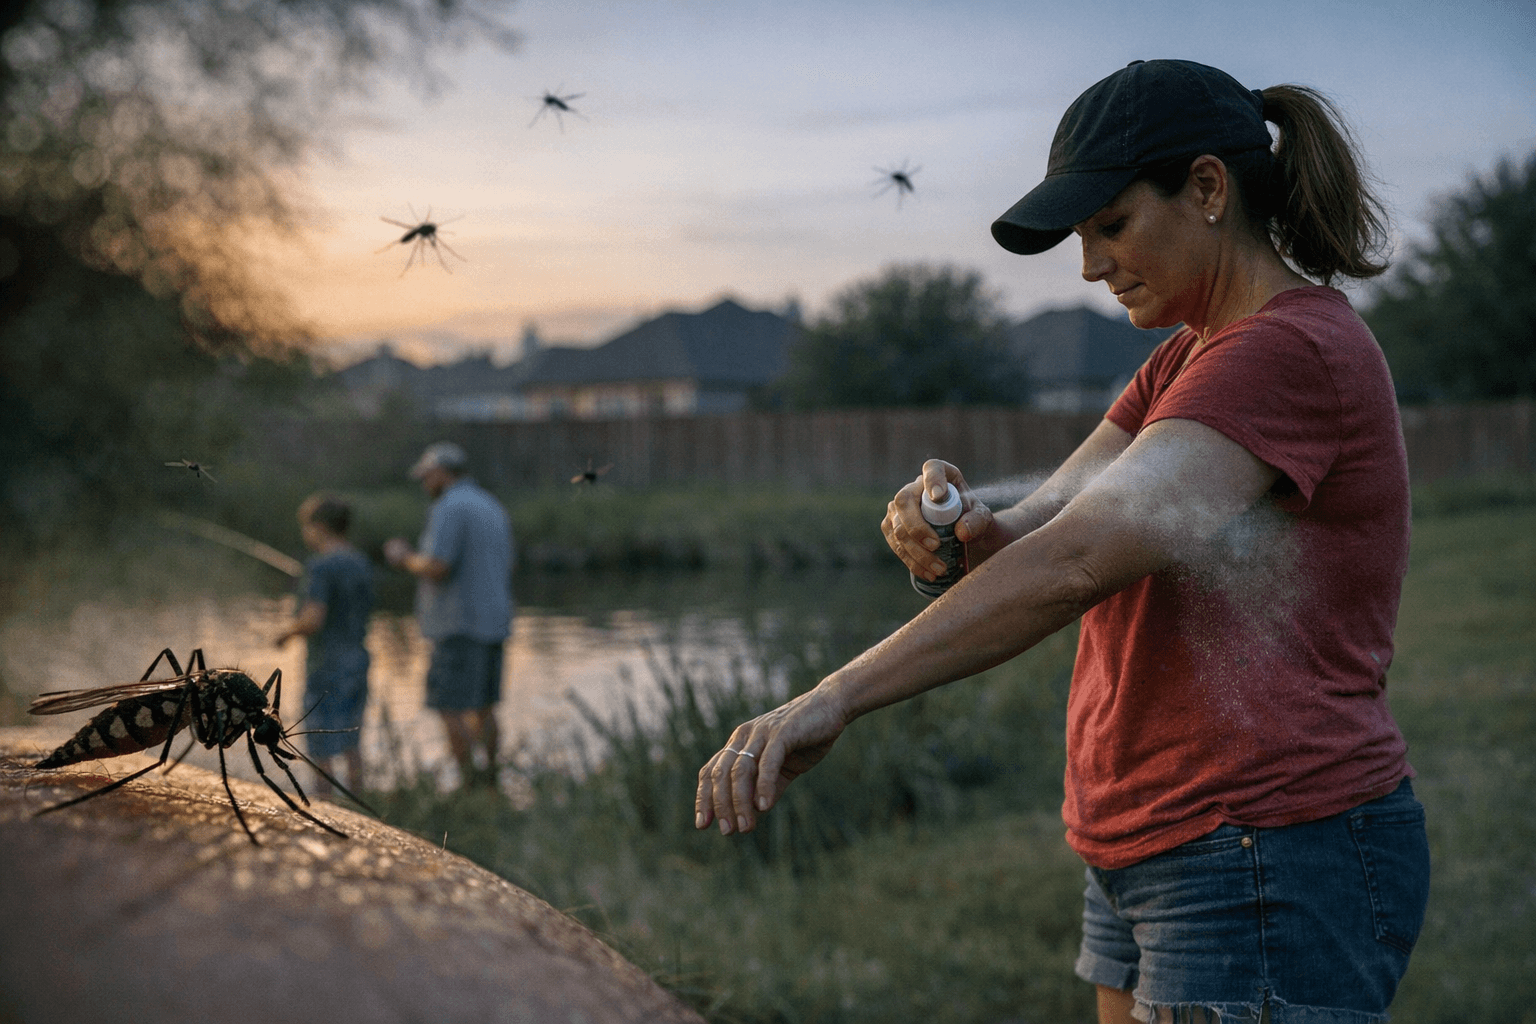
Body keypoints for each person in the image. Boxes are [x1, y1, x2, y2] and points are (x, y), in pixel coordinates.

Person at [696, 59, 1429, 1024]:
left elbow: (1082, 559)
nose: (1091, 267)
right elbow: (1045, 524)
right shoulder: (1185, 357)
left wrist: (836, 696)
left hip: (1262, 846)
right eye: (1084, 237)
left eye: (1112, 226)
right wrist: (952, 527)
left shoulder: (1284, 352)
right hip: (1152, 841)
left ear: (1208, 188)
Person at [384, 441, 513, 789]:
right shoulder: (491, 504)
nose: (425, 484)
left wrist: (404, 557)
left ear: (441, 472)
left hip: (458, 627)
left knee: (450, 707)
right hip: (494, 623)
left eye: (427, 477)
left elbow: (438, 566)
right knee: (484, 707)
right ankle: (492, 781)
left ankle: (468, 786)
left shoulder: (449, 507)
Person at [275, 492, 374, 797]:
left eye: (307, 526)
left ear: (319, 526)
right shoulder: (361, 562)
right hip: (358, 658)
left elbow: (313, 620)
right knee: (351, 738)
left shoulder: (320, 566)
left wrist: (287, 633)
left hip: (327, 665)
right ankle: (358, 801)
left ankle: (325, 805)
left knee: (320, 740)